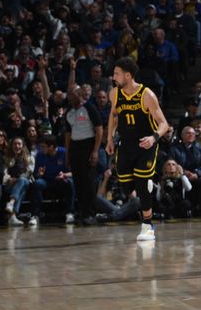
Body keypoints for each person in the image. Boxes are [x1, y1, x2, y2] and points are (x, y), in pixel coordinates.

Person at [106, 57, 170, 242]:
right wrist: (109, 139)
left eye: (117, 73)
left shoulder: (146, 94)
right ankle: (148, 189)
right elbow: (113, 115)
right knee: (126, 185)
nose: (113, 76)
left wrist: (154, 138)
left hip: (145, 143)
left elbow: (164, 123)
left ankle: (148, 225)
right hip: (125, 144)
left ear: (128, 75)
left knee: (142, 182)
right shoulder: (114, 94)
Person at [64, 80, 103, 226]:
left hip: (88, 145)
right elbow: (68, 134)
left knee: (89, 181)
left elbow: (99, 129)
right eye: (68, 94)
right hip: (75, 147)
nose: (69, 96)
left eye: (71, 93)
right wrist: (68, 154)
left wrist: (95, 151)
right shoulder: (69, 112)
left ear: (79, 93)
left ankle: (91, 213)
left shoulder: (89, 108)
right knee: (78, 181)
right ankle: (82, 213)